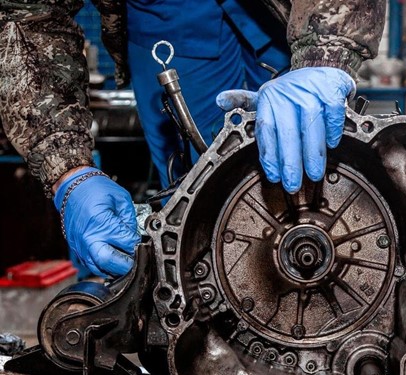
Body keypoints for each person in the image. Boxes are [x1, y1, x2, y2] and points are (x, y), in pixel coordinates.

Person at [0, 0, 386, 278]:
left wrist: (327, 56)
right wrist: (67, 170)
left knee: (319, 163)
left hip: (287, 14)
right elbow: (25, 14)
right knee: (196, 221)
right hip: (168, 18)